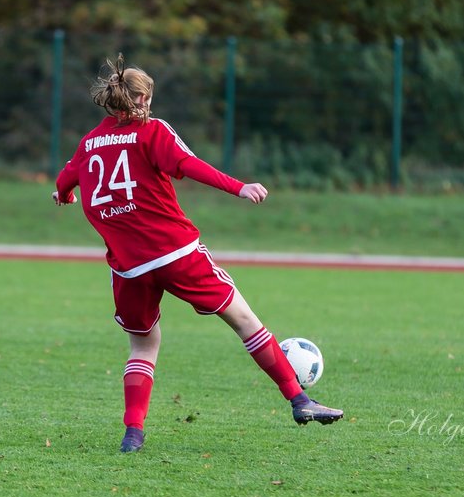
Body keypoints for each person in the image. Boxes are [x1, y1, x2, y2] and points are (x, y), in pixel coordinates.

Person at [52, 55, 343, 453]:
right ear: (139, 98)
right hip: (175, 253)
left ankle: (132, 434)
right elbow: (188, 165)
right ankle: (299, 400)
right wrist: (238, 186)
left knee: (142, 346)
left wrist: (65, 194)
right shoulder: (151, 130)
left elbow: (65, 180)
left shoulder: (89, 144)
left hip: (129, 267)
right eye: (147, 96)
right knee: (245, 321)